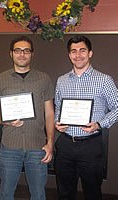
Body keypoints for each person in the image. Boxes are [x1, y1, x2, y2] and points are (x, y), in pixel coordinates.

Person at [0, 35, 55, 200]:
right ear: (11, 54)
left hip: (37, 147)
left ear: (32, 54)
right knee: (5, 194)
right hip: (10, 147)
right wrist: (6, 120)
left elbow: (50, 113)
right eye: (18, 50)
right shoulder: (0, 79)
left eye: (26, 50)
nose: (22, 54)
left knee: (39, 194)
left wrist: (50, 143)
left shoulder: (44, 79)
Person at [54, 35, 118, 200]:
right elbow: (58, 107)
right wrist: (57, 122)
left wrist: (99, 124)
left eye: (82, 50)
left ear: (90, 53)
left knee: (92, 193)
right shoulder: (61, 81)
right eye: (73, 51)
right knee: (65, 192)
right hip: (66, 144)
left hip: (91, 145)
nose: (78, 55)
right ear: (69, 55)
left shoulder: (104, 80)